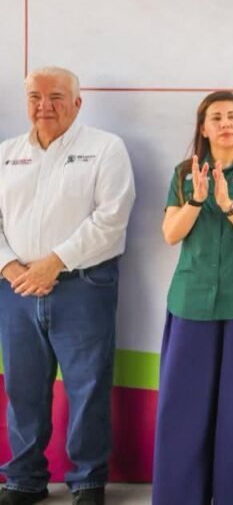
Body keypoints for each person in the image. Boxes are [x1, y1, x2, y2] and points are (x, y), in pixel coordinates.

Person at [0, 67, 135, 505]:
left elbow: (111, 219)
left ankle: (87, 481)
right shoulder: (6, 154)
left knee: (88, 386)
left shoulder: (105, 148)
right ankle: (24, 480)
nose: (45, 106)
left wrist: (53, 264)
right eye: (35, 97)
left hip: (84, 285)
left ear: (77, 102)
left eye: (56, 96)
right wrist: (11, 269)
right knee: (22, 389)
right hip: (16, 289)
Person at [152, 91, 233, 505]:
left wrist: (228, 206)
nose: (226, 123)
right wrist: (198, 198)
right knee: (184, 404)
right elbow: (171, 234)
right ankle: (180, 496)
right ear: (204, 128)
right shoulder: (183, 174)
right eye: (217, 117)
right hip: (191, 302)